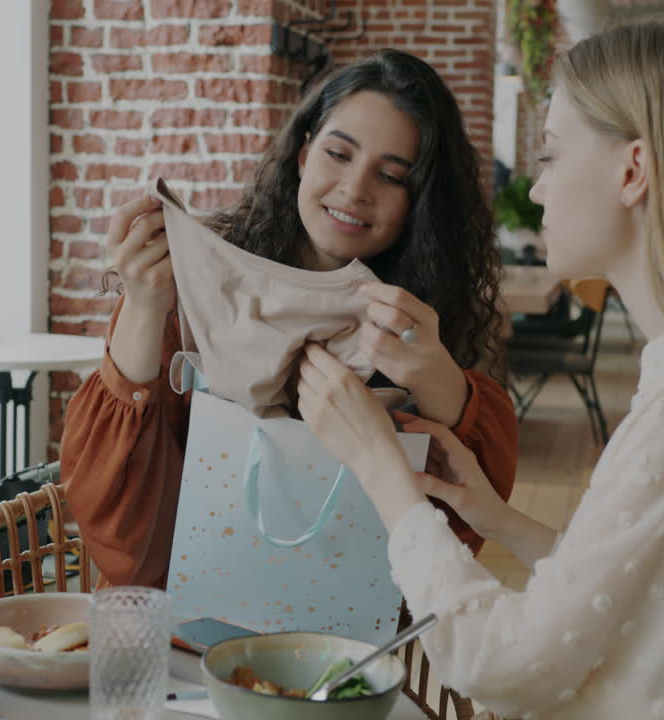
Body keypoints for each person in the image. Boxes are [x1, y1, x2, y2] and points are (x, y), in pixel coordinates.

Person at [293, 19, 664, 719]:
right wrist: (500, 520)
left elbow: (503, 666)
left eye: (551, 155)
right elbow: (656, 590)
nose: (537, 188)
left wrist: (380, 467)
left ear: (633, 170)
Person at [61, 49, 517, 590]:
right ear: (303, 153)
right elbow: (113, 529)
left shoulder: (422, 323)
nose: (355, 189)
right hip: (175, 618)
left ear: (420, 201)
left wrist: (433, 375)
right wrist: (142, 305)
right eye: (338, 154)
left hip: (344, 631)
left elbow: (463, 531)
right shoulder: (193, 282)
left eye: (390, 176)